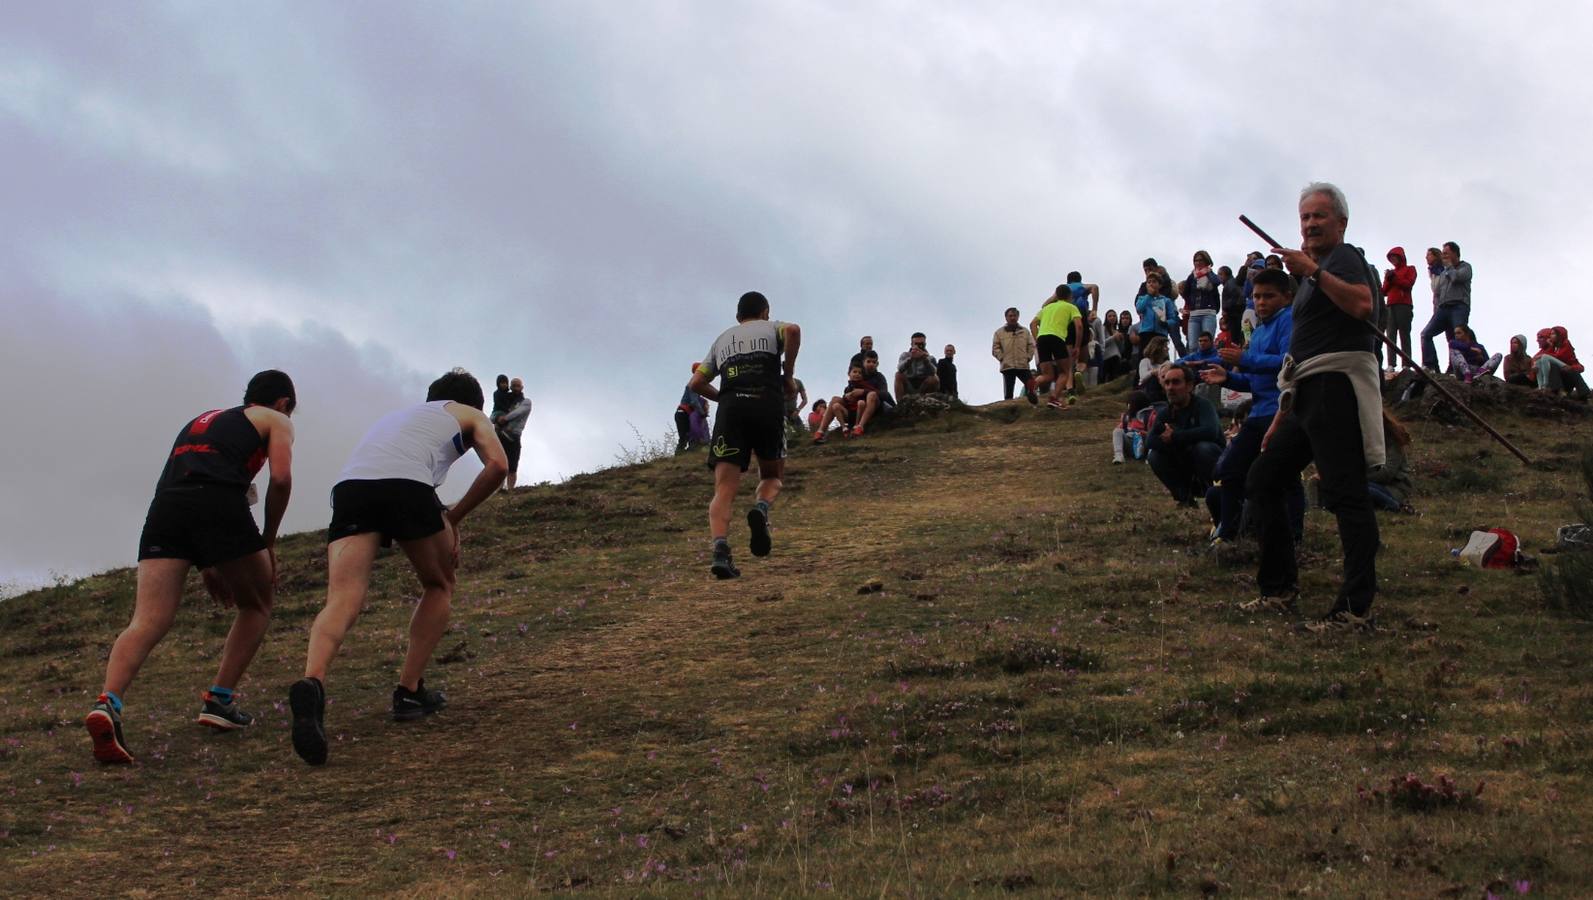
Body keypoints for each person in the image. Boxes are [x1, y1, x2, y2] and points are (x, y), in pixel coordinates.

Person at [288, 369, 507, 766]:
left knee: (342, 597)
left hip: (352, 487)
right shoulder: (471, 415)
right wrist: (453, 519)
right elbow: (497, 466)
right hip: (408, 486)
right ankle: (409, 691)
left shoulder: (397, 418)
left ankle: (312, 682)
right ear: (473, 403)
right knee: (439, 583)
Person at [85, 371, 297, 764]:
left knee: (147, 619)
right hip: (217, 502)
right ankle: (220, 700)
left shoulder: (203, 419)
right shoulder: (277, 420)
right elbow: (280, 479)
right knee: (257, 604)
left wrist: (208, 561)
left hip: (166, 508)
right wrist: (267, 542)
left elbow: (190, 479)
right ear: (284, 403)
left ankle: (108, 704)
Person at [1244, 182, 1382, 632]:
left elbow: (1363, 306)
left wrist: (1314, 272)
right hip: (1306, 392)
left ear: (1341, 222)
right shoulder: (1309, 280)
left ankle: (1354, 607)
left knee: (1346, 493)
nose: (1310, 224)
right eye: (1305, 218)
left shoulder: (1344, 259)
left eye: (1319, 216)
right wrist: (1283, 415)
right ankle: (1279, 588)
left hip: (1335, 387)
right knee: (1264, 478)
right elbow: (1300, 354)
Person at [686, 291, 801, 580]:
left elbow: (697, 382)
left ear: (738, 318)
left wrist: (723, 398)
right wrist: (787, 376)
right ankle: (761, 509)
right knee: (772, 475)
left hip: (731, 412)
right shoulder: (772, 326)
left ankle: (720, 551)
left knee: (723, 488)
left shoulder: (722, 339)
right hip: (767, 405)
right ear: (765, 312)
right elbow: (793, 330)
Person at [1198, 268, 1298, 546]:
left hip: (1282, 411)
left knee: (1283, 478)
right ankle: (1229, 533)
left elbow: (1288, 363)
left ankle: (1293, 536)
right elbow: (1257, 381)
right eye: (1256, 297)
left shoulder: (1288, 321)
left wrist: (1246, 359)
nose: (1262, 302)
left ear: (1287, 297)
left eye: (1269, 296)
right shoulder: (1261, 330)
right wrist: (1228, 377)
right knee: (1230, 469)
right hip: (1258, 412)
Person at [1146, 364, 1225, 505]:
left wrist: (1175, 437)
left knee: (1203, 448)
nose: (1170, 388)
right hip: (1184, 463)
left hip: (1211, 462)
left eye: (1176, 382)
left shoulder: (1203, 406)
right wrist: (1174, 443)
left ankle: (1218, 493)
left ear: (1189, 386)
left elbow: (1210, 432)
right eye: (1167, 383)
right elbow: (1150, 441)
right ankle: (1184, 498)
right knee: (1154, 455)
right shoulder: (1165, 413)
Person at [1420, 241, 1472, 370]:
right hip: (1443, 308)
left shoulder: (1465, 267)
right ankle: (1431, 366)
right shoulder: (1444, 271)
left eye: (1446, 253)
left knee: (1456, 338)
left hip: (1459, 306)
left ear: (1455, 253)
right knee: (1426, 334)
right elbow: (1437, 291)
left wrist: (1448, 267)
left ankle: (1456, 368)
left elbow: (1456, 278)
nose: (1443, 256)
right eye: (1442, 254)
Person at [1032, 287, 1085, 408]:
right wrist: (1077, 346)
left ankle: (1032, 384)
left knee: (1047, 375)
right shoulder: (1071, 307)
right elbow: (1079, 326)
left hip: (1042, 338)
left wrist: (1037, 339)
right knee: (1065, 372)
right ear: (1070, 296)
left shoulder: (1046, 308)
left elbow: (1033, 323)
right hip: (1057, 338)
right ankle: (1054, 398)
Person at [815, 363, 878, 442]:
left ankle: (858, 426)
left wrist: (863, 392)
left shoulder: (866, 384)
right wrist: (846, 397)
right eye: (855, 372)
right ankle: (821, 431)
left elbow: (876, 392)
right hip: (849, 412)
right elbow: (845, 401)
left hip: (861, 411)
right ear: (849, 374)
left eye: (860, 373)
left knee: (861, 402)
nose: (857, 374)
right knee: (835, 401)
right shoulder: (848, 388)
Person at [1381, 248, 1417, 372]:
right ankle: (1391, 364)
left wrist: (1394, 278)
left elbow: (1408, 284)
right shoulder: (1391, 273)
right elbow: (1384, 291)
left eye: (1394, 257)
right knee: (1390, 335)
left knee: (1404, 334)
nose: (1393, 260)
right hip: (1390, 305)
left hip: (1404, 305)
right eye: (1391, 258)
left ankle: (1406, 364)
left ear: (1400, 257)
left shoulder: (1410, 269)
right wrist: (1388, 278)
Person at [992, 307, 1038, 402]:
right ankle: (1009, 411)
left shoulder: (1025, 331)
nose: (1012, 318)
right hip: (1008, 366)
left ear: (1018, 317)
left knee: (1031, 384)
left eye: (1014, 316)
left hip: (1023, 364)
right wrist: (1002, 358)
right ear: (1006, 317)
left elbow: (1031, 345)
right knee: (1008, 393)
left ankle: (1032, 402)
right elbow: (995, 348)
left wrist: (1028, 357)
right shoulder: (999, 333)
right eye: (1010, 316)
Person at [1180, 251, 1223, 350]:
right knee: (1193, 346)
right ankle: (1195, 365)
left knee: (1207, 344)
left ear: (1206, 261)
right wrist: (1191, 304)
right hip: (1194, 315)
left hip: (1208, 313)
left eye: (1200, 260)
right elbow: (1185, 291)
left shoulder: (1210, 274)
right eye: (1196, 261)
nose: (1198, 263)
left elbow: (1217, 281)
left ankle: (1208, 364)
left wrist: (1208, 272)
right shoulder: (1192, 276)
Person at [494, 377, 532, 488]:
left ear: (522, 387)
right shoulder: (505, 400)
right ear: (510, 387)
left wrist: (504, 418)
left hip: (514, 436)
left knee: (512, 466)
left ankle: (510, 490)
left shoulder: (526, 402)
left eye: (518, 385)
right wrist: (496, 418)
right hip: (500, 435)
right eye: (513, 385)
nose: (515, 388)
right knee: (500, 465)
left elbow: (517, 412)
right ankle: (499, 489)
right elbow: (495, 412)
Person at [1534, 326, 1590, 399]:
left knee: (1546, 358)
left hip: (1568, 377)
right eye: (1550, 334)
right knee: (1543, 361)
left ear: (1559, 335)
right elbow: (1548, 358)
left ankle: (1585, 394)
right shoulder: (1554, 348)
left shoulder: (1566, 345)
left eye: (1553, 334)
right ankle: (1543, 387)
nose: (1550, 336)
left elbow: (1559, 357)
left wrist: (1570, 368)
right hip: (1558, 380)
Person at [1134, 271, 1176, 361]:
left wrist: (1166, 323)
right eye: (1149, 282)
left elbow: (1173, 318)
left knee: (1161, 359)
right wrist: (1148, 296)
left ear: (1159, 285)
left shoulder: (1166, 301)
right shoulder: (1142, 298)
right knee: (1144, 359)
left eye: (1154, 281)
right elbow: (1139, 309)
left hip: (1160, 333)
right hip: (1146, 333)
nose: (1151, 284)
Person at [1111, 390, 1154, 464]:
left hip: (1146, 446)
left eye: (1130, 403)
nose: (1128, 406)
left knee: (1154, 438)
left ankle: (1151, 457)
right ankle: (1118, 455)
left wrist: (1140, 432)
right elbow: (1121, 429)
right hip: (1132, 445)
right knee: (1117, 431)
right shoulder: (1127, 417)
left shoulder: (1150, 417)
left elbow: (1155, 434)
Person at [675, 363, 710, 454]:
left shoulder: (697, 385)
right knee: (684, 437)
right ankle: (678, 457)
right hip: (682, 413)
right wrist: (702, 413)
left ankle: (688, 455)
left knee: (690, 436)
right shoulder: (693, 384)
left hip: (685, 413)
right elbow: (694, 402)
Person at [895, 332, 941, 397]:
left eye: (921, 344)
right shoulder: (905, 355)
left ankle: (928, 401)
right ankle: (900, 404)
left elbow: (934, 372)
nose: (919, 346)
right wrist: (911, 358)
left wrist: (925, 360)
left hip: (924, 386)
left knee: (934, 378)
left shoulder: (930, 358)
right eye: (916, 344)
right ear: (912, 344)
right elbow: (900, 369)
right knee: (898, 375)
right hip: (909, 385)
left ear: (925, 344)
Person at [1099, 310, 1125, 382]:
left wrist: (1121, 340)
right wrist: (1113, 337)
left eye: (1114, 316)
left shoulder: (1117, 331)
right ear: (1106, 318)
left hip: (1116, 358)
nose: (1112, 317)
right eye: (1109, 316)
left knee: (1115, 380)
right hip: (1106, 358)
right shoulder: (1103, 328)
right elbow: (1102, 343)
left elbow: (1121, 349)